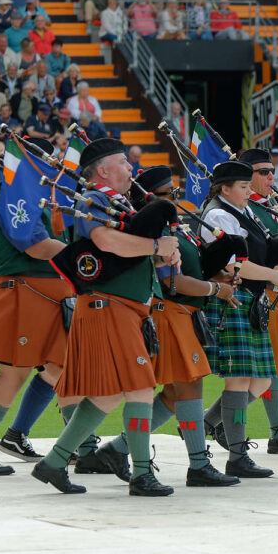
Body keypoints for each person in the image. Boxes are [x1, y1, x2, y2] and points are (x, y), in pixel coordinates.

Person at [29, 137, 178, 495]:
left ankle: (53, 463)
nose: (132, 169)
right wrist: (157, 246)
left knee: (110, 395)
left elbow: (126, 251)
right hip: (110, 307)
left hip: (124, 308)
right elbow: (106, 243)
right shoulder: (93, 199)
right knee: (141, 387)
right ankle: (142, 474)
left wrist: (162, 254)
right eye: (124, 163)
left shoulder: (119, 203)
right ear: (102, 170)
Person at [89, 166, 240, 487]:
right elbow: (172, 281)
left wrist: (218, 276)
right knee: (187, 386)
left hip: (182, 315)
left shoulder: (175, 227)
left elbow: (190, 271)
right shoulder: (150, 229)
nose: (173, 198)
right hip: (168, 312)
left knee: (174, 393)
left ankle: (116, 449)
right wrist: (216, 289)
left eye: (174, 191)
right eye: (165, 194)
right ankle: (198, 464)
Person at [0, 137, 73, 475]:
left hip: (41, 298)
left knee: (59, 369)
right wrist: (82, 257)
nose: (52, 165)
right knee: (15, 374)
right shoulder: (17, 193)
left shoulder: (35, 195)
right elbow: (36, 247)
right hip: (25, 295)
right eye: (47, 159)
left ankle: (54, 443)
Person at [200, 159, 278, 478]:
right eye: (242, 187)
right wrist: (273, 275)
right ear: (225, 188)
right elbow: (232, 264)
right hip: (233, 297)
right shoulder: (217, 215)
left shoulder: (244, 211)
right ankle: (237, 456)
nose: (247, 192)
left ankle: (207, 423)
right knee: (239, 380)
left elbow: (265, 250)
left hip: (252, 298)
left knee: (262, 379)